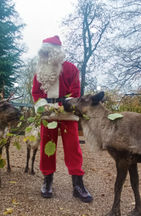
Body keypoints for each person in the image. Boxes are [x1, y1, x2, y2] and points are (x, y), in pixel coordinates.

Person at [31, 35, 93, 202]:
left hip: (67, 113)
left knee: (73, 148)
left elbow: (75, 92)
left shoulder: (71, 69)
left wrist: (63, 106)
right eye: (42, 52)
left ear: (55, 52)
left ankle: (77, 184)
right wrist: (42, 106)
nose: (44, 55)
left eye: (47, 52)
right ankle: (47, 181)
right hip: (47, 115)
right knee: (46, 148)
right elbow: (36, 93)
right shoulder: (39, 72)